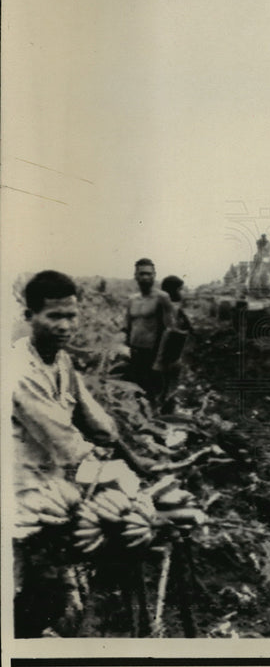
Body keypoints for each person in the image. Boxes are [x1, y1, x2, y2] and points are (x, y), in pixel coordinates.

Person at [12, 271, 152, 636]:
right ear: (29, 317)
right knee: (30, 597)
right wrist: (114, 471)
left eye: (71, 315)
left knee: (62, 585)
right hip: (22, 498)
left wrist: (133, 458)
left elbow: (96, 421)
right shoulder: (17, 371)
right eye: (54, 316)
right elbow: (65, 441)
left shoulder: (61, 362)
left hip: (55, 488)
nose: (65, 325)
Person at [123, 258, 174, 406]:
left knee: (153, 395)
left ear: (154, 275)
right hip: (134, 353)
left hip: (152, 353)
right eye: (142, 274)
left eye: (149, 274)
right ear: (136, 276)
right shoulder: (132, 300)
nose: (145, 277)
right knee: (136, 393)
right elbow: (126, 327)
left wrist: (159, 360)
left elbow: (169, 329)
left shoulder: (162, 298)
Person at [158, 276, 192, 414]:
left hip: (172, 356)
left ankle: (167, 408)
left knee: (168, 387)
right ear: (173, 291)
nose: (182, 293)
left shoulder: (174, 309)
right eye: (180, 289)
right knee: (164, 388)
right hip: (166, 356)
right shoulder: (165, 308)